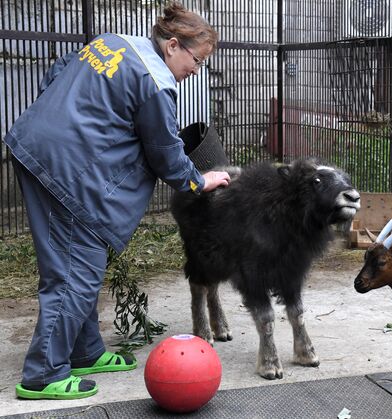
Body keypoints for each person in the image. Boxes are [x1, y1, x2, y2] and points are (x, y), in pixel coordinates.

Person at [4, 3, 230, 400]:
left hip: (39, 147)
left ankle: (84, 351)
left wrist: (59, 120)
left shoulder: (112, 43)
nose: (196, 71)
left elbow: (58, 71)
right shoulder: (156, 83)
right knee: (76, 272)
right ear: (173, 45)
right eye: (196, 61)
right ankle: (43, 375)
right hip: (68, 171)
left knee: (76, 262)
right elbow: (164, 153)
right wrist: (200, 180)